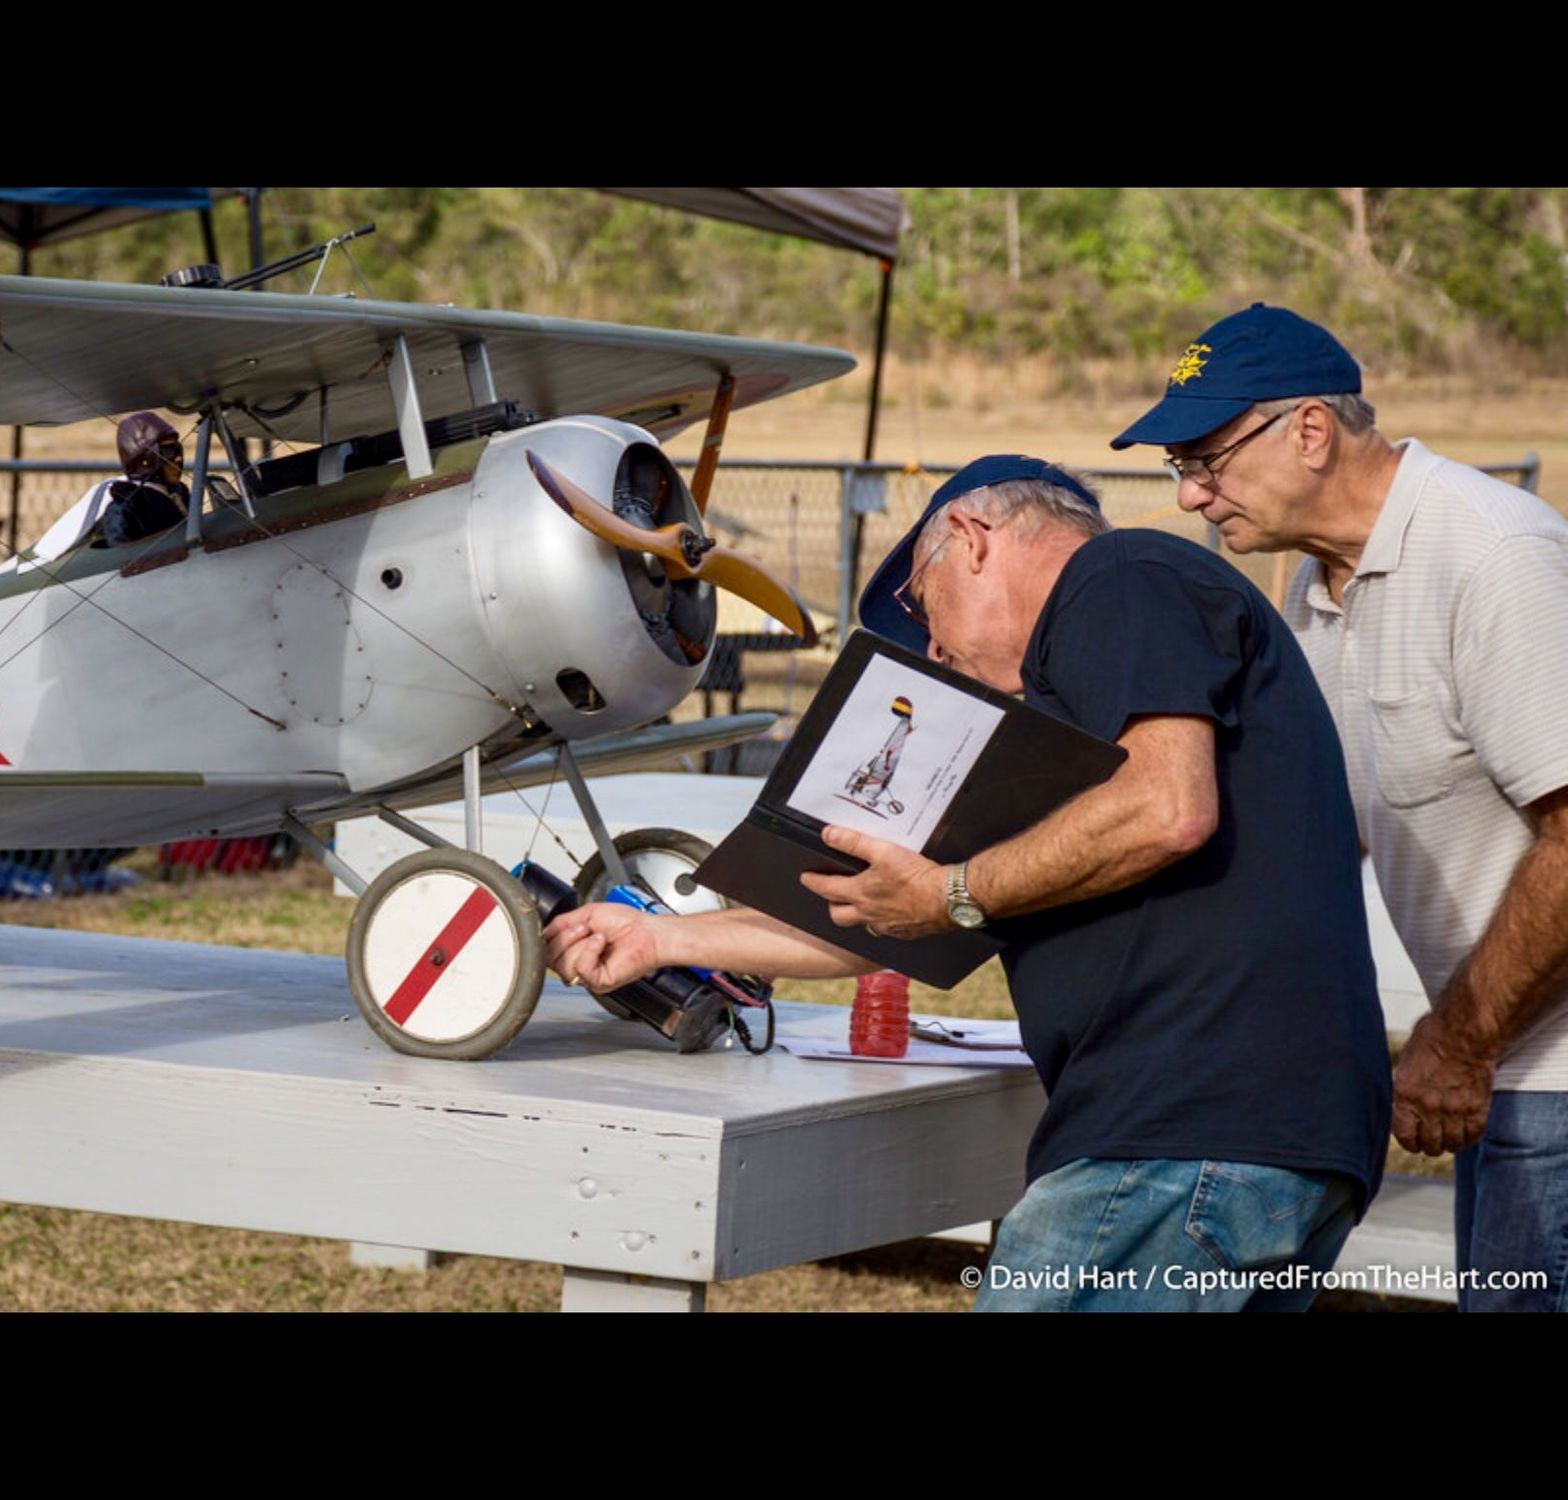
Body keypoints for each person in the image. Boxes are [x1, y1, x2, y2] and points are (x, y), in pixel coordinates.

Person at [545, 455, 1393, 1311]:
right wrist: (661, 938)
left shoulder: (1122, 570)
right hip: (1262, 1148)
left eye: (923, 605)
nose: (933, 650)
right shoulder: (1064, 738)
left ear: (972, 537)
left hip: (1182, 1136)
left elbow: (1167, 809)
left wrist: (953, 890)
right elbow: (874, 914)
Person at [1112, 303, 1568, 1312]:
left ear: (1310, 431)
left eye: (1205, 460)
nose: (1189, 496)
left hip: (1547, 1075)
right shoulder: (1318, 593)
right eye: (1178, 467)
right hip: (1510, 1063)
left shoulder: (1493, 557)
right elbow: (1324, 832)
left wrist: (1459, 1040)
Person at [95, 411, 190, 547]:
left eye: (178, 450)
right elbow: (121, 553)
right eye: (168, 451)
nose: (178, 458)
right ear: (145, 458)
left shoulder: (179, 493)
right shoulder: (126, 507)